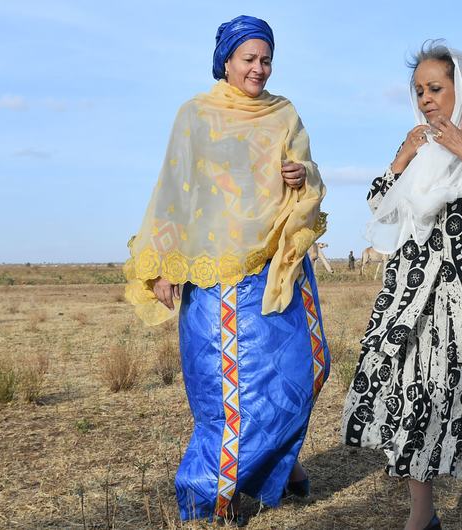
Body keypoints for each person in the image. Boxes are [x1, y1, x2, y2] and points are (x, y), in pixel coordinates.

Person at [122, 15, 330, 525]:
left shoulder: (283, 113)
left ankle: (276, 466)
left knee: (301, 375)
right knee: (227, 393)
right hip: (215, 275)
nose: (259, 69)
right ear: (227, 61)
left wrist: (303, 174)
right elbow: (174, 192)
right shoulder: (196, 115)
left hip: (276, 265)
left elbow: (310, 173)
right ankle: (207, 497)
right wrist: (166, 264)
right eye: (249, 59)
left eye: (266, 60)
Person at [342, 41, 462, 530]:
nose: (426, 99)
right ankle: (421, 512)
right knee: (416, 394)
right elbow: (379, 205)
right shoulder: (419, 146)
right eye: (419, 92)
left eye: (435, 88)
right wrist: (401, 158)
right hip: (421, 299)